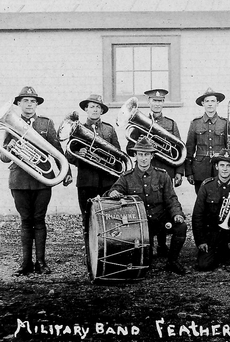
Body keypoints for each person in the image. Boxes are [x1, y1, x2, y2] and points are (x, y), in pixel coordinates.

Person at [1, 87, 72, 275]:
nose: (29, 104)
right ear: (18, 104)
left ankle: (41, 262)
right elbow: (4, 157)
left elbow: (56, 149)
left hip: (42, 181)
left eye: (32, 101)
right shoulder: (8, 125)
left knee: (39, 220)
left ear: (37, 104)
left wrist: (66, 172)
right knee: (25, 221)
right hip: (19, 181)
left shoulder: (46, 124)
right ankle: (25, 264)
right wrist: (9, 146)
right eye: (25, 101)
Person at [106, 137, 188, 275]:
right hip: (141, 223)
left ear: (152, 156)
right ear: (135, 156)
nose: (143, 158)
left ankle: (172, 261)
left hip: (161, 217)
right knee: (146, 263)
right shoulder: (127, 177)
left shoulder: (162, 175)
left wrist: (177, 214)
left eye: (146, 155)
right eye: (140, 154)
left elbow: (171, 199)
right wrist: (114, 192)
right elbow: (115, 190)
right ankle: (146, 256)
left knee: (181, 227)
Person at [126, 88, 185, 257]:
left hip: (165, 171)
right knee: (148, 206)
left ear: (163, 103)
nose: (157, 104)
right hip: (145, 169)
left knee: (164, 206)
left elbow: (180, 149)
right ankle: (148, 245)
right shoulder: (139, 122)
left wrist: (179, 172)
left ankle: (162, 245)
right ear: (149, 103)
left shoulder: (171, 124)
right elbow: (130, 149)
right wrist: (142, 144)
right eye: (154, 101)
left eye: (160, 101)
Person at [66, 94, 120, 233]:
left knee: (108, 217)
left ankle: (107, 250)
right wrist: (79, 155)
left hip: (107, 181)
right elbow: (69, 155)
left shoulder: (109, 129)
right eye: (92, 107)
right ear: (86, 109)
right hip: (86, 181)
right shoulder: (77, 129)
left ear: (102, 111)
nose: (95, 110)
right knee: (87, 217)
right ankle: (91, 252)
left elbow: (119, 156)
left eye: (98, 107)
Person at [192, 149, 230, 276]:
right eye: (222, 165)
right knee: (204, 265)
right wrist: (200, 241)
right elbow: (198, 215)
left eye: (229, 165)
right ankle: (220, 250)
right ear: (216, 166)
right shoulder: (207, 185)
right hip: (212, 230)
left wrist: (229, 210)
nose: (225, 169)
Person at [185, 88, 230, 193]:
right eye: (207, 101)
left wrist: (224, 155)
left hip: (220, 169)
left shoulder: (224, 123)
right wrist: (189, 172)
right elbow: (189, 148)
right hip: (200, 169)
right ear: (202, 103)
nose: (210, 104)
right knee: (201, 199)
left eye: (213, 101)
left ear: (217, 103)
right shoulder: (195, 123)